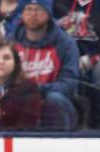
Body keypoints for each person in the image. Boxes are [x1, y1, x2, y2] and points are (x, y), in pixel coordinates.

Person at [53, 0, 100, 129]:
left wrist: (90, 58)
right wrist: (69, 59)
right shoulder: (56, 4)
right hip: (68, 62)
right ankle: (65, 130)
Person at [12, 0, 79, 129]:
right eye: (28, 9)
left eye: (38, 9)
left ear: (48, 13)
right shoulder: (11, 41)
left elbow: (69, 85)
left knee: (54, 99)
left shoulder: (65, 43)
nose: (33, 14)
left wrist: (36, 88)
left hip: (56, 105)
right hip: (22, 102)